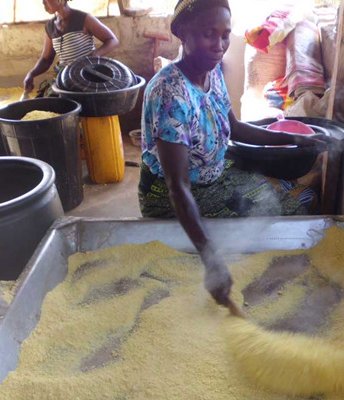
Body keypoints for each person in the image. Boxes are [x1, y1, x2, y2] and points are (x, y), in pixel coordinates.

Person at [139, 0, 327, 308]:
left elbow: (236, 128)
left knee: (292, 197)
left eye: (225, 34)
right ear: (183, 33)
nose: (220, 45)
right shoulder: (168, 95)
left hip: (215, 174)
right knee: (290, 211)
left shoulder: (210, 73)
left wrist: (294, 138)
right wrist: (211, 259)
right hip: (174, 196)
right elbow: (177, 186)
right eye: (209, 34)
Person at [24, 0, 120, 96]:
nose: (43, 2)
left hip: (86, 76)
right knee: (53, 102)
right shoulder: (50, 26)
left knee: (81, 103)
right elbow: (46, 60)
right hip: (64, 78)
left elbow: (112, 40)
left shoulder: (83, 19)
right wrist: (31, 74)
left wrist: (94, 55)